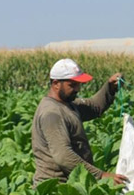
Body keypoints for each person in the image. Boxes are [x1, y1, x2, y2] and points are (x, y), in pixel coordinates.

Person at [31, 58, 128, 186]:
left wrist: (110, 87)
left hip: (74, 183)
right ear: (56, 84)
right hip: (57, 188)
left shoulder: (68, 104)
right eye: (72, 85)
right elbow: (64, 157)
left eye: (79, 84)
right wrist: (101, 175)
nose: (78, 89)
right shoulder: (52, 114)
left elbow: (95, 106)